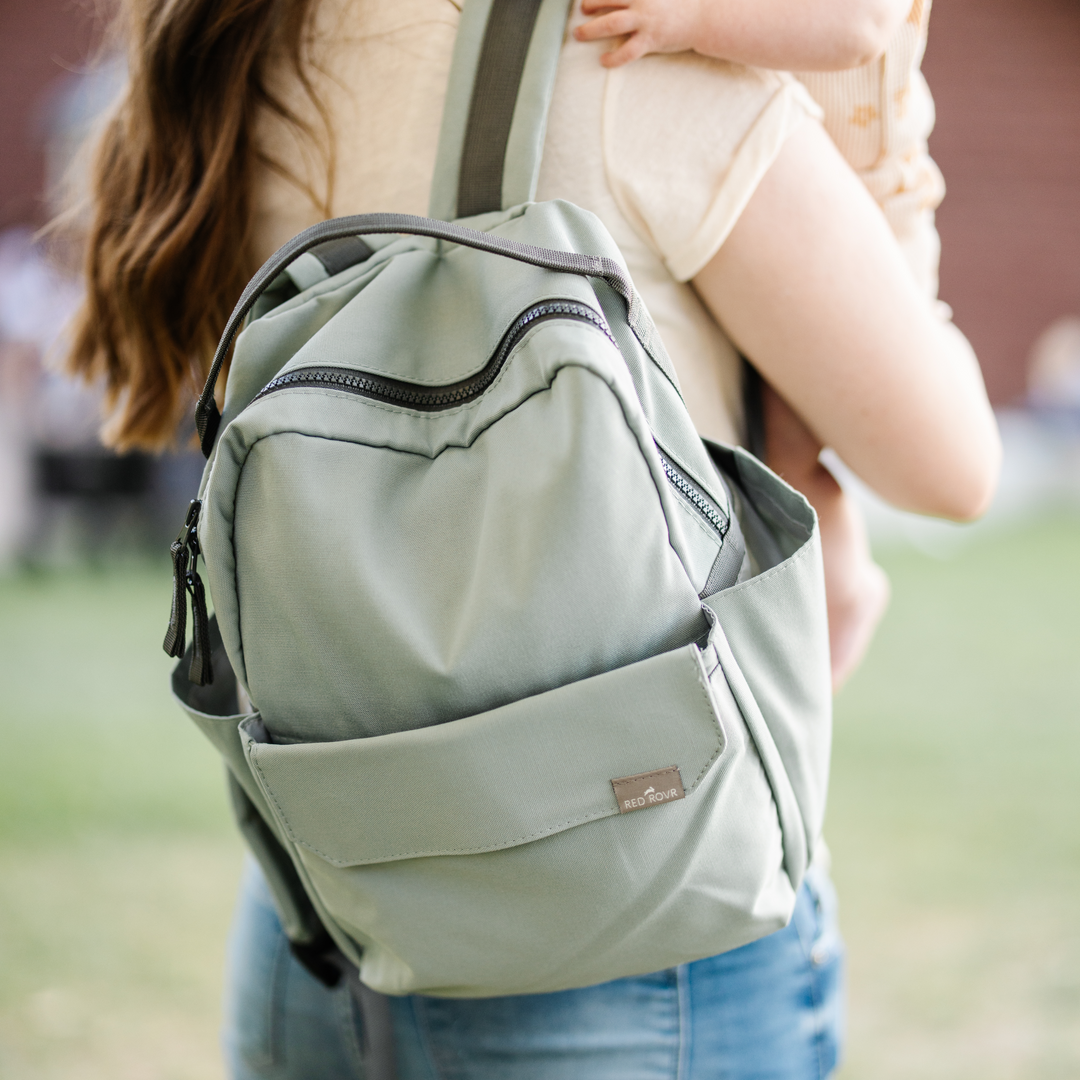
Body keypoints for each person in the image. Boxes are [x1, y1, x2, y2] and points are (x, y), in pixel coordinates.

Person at [65, 0, 1000, 1076]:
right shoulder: (633, 54)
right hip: (628, 915)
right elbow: (951, 466)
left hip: (335, 888)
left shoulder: (249, 42)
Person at [576, 0, 945, 686]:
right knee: (755, 439)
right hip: (774, 199)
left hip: (869, 223)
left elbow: (854, 30)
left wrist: (684, 21)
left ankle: (834, 614)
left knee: (790, 454)